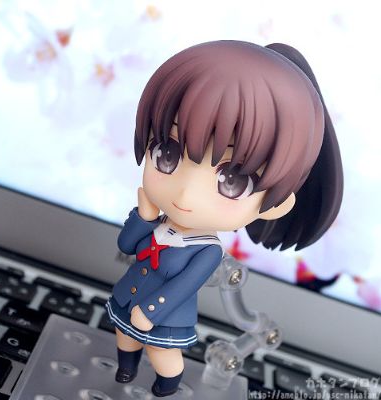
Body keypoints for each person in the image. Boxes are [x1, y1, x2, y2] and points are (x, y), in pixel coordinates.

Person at [106, 40, 343, 397]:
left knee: (160, 352)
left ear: (275, 205)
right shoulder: (160, 223)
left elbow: (184, 286)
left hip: (162, 316)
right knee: (123, 337)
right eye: (167, 153)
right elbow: (127, 245)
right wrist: (143, 216)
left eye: (231, 180)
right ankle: (126, 368)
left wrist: (151, 311)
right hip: (128, 298)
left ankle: (165, 386)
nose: (186, 194)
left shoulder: (208, 251)